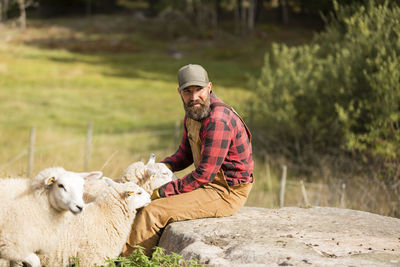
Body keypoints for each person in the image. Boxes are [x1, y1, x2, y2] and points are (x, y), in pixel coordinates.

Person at [122, 64, 254, 257]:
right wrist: (162, 166)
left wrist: (159, 192)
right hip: (209, 185)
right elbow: (184, 154)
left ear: (209, 87)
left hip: (226, 192)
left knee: (153, 212)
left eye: (199, 90)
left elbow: (204, 175)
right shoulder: (194, 112)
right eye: (187, 91)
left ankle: (128, 261)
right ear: (179, 92)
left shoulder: (218, 120)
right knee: (136, 195)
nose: (194, 97)